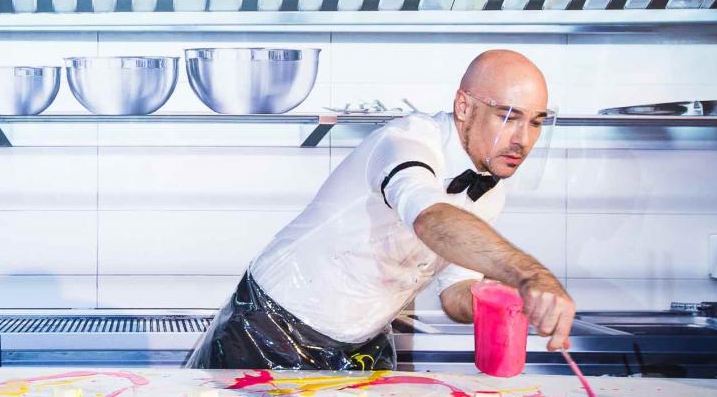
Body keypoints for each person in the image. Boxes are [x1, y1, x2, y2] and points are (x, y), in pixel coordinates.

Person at [185, 49, 574, 371]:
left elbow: (454, 293)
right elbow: (431, 218)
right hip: (269, 330)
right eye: (508, 117)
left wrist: (505, 302)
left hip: (362, 345)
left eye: (536, 123)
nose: (523, 140)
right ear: (463, 106)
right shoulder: (406, 141)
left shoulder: (490, 194)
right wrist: (530, 275)